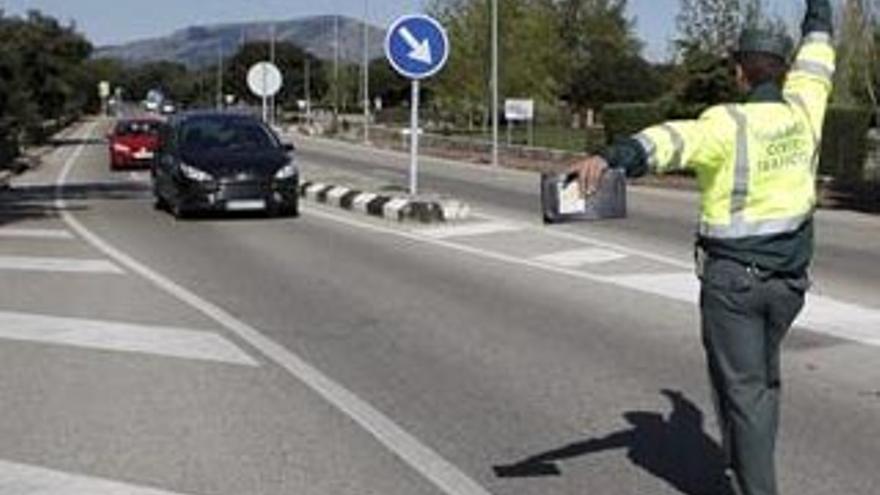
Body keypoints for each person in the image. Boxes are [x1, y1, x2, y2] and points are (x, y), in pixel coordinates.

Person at [570, 1, 835, 494]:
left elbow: (664, 141)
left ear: (739, 73)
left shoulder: (724, 124)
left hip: (734, 285)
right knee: (760, 383)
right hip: (789, 286)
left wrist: (610, 157)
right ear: (784, 70)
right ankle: (742, 466)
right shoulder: (806, 106)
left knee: (745, 390)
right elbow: (819, 39)